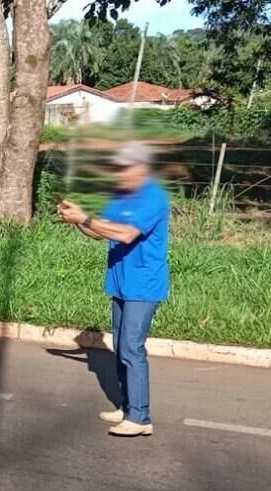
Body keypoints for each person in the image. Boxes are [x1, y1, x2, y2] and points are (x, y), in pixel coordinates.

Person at [57, 142, 170, 437]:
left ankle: (141, 418)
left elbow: (126, 233)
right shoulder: (122, 195)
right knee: (121, 347)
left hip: (143, 285)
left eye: (124, 167)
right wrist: (76, 221)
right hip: (121, 281)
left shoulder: (153, 197)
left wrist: (84, 217)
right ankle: (128, 408)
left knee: (132, 348)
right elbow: (100, 230)